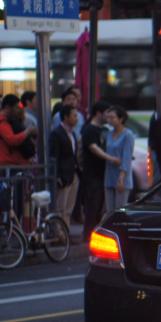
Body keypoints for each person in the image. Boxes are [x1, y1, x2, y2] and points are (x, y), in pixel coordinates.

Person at [80, 101, 113, 238]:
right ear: (98, 113)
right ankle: (88, 234)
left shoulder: (105, 130)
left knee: (100, 206)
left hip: (104, 173)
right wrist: (110, 158)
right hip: (92, 173)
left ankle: (96, 233)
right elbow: (93, 147)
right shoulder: (89, 129)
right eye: (107, 114)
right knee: (93, 205)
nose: (109, 117)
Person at [49, 105, 81, 226]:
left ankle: (65, 233)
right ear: (66, 117)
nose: (77, 119)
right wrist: (57, 175)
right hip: (63, 175)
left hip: (73, 173)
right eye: (74, 116)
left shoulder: (72, 133)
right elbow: (54, 156)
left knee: (69, 208)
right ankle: (59, 233)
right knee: (61, 207)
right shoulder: (57, 134)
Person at [103, 106, 134, 213]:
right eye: (108, 117)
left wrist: (121, 179)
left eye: (112, 117)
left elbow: (127, 157)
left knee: (120, 209)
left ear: (121, 119)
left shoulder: (128, 135)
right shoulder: (109, 134)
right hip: (109, 174)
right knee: (109, 209)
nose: (109, 120)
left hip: (122, 176)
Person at [0, 94, 35, 166]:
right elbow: (12, 140)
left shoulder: (7, 121)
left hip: (17, 162)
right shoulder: (2, 123)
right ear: (7, 107)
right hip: (11, 163)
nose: (18, 111)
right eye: (16, 108)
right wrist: (27, 131)